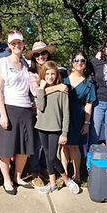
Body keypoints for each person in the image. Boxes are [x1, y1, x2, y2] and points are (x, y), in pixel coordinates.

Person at [0, 31, 35, 195]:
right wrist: (3, 114)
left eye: (19, 43)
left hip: (25, 109)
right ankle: (7, 180)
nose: (17, 45)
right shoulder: (3, 62)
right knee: (5, 147)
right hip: (9, 108)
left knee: (23, 147)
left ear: (23, 44)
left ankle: (18, 177)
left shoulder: (25, 66)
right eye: (13, 43)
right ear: (9, 45)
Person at [35, 61, 79, 194]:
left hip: (55, 128)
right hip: (42, 127)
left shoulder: (63, 91)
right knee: (48, 155)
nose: (50, 77)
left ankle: (66, 179)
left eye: (52, 74)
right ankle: (52, 183)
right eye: (47, 74)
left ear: (57, 75)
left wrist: (64, 133)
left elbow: (66, 113)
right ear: (43, 75)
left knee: (52, 157)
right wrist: (42, 88)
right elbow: (40, 106)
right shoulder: (41, 90)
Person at [26, 41, 65, 187]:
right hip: (38, 114)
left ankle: (46, 170)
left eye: (43, 53)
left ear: (48, 54)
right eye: (37, 54)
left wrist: (56, 87)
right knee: (37, 145)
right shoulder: (31, 73)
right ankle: (35, 172)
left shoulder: (54, 71)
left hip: (53, 116)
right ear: (34, 57)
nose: (40, 56)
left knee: (48, 148)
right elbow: (36, 92)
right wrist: (57, 87)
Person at [60, 52, 96, 182]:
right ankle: (64, 176)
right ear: (72, 62)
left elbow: (88, 105)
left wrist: (86, 123)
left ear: (86, 63)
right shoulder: (63, 78)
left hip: (78, 116)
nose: (79, 63)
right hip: (63, 115)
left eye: (82, 60)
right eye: (76, 60)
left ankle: (77, 176)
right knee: (63, 145)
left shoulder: (89, 84)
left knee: (74, 146)